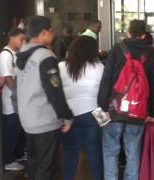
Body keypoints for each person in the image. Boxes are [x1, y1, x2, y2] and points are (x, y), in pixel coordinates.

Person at [98, 19, 154, 180]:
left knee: (111, 150)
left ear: (128, 32)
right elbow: (153, 84)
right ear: (144, 34)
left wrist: (102, 105)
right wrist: (153, 111)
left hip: (114, 109)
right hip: (138, 111)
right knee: (133, 151)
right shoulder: (151, 52)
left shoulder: (117, 49)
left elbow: (107, 79)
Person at [16, 16, 73, 180]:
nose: (53, 34)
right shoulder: (45, 56)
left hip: (27, 119)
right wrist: (66, 116)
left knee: (34, 163)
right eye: (51, 30)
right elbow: (54, 91)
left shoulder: (22, 53)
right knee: (48, 166)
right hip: (44, 121)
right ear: (43, 33)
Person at [59, 36, 104, 180]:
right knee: (95, 153)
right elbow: (105, 94)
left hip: (69, 114)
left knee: (69, 154)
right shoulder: (99, 67)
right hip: (95, 113)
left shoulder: (61, 67)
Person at [0, 27, 26, 171]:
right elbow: (7, 78)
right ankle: (8, 160)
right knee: (11, 131)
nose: (23, 42)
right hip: (10, 101)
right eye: (21, 39)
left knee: (18, 130)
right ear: (12, 37)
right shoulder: (6, 55)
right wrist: (18, 95)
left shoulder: (16, 54)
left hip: (17, 100)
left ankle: (18, 154)